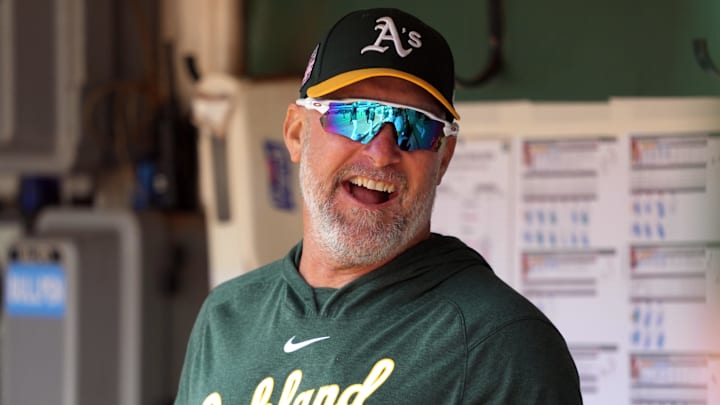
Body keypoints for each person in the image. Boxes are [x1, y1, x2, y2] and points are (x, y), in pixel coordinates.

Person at [175, 8, 583, 405]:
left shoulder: (498, 343)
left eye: (415, 125)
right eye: (354, 116)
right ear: (297, 132)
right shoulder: (226, 317)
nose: (382, 150)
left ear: (444, 157)